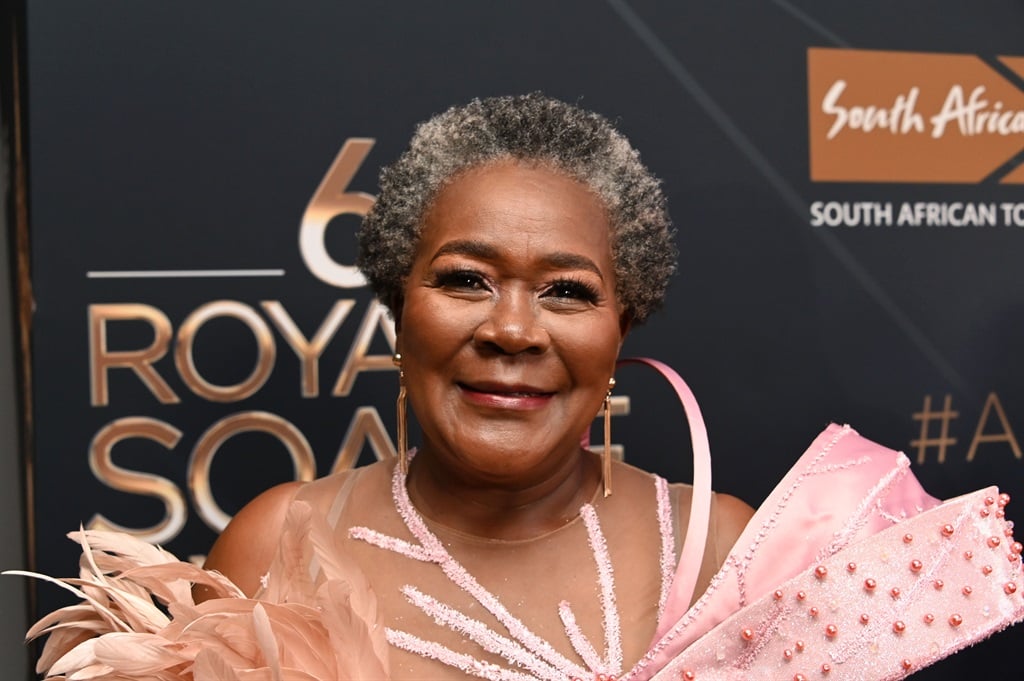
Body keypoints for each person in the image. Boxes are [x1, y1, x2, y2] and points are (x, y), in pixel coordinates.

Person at [13, 94, 1024, 680]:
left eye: (566, 292)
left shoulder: (732, 547)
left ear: (621, 324)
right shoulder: (274, 540)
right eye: (463, 279)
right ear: (397, 305)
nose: (509, 328)